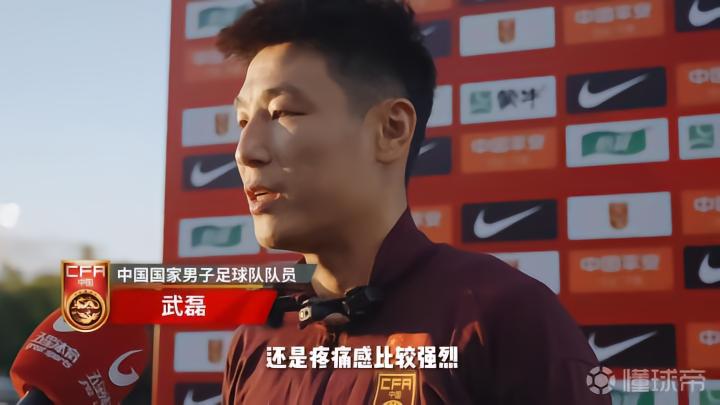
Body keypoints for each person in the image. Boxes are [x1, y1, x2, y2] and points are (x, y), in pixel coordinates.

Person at [218, 0, 610, 404]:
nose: (245, 151)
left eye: (281, 112)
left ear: (392, 129)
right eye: (243, 121)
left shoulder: (504, 318)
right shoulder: (256, 338)